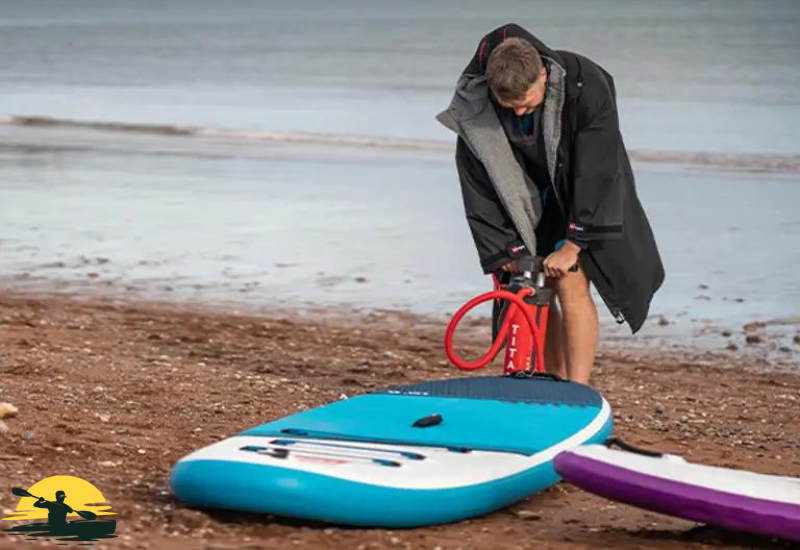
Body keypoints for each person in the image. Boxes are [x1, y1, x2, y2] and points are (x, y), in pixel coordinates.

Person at [437, 23, 664, 384]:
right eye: (510, 107)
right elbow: (477, 185)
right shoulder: (475, 106)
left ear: (543, 74)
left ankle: (578, 387)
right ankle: (552, 380)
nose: (522, 113)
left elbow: (599, 168)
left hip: (579, 194)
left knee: (570, 280)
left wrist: (574, 244)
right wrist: (504, 249)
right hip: (526, 205)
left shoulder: (585, 85)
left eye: (528, 103)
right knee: (533, 285)